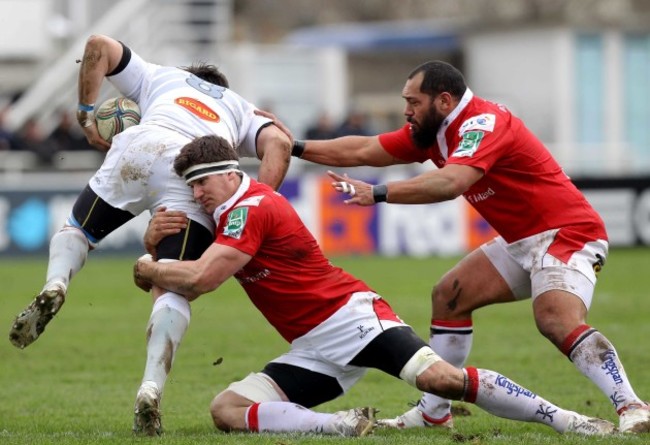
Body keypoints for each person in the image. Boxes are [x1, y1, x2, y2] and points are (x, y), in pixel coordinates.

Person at [131, 134, 617, 438]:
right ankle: (342, 425)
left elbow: (201, 279)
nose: (196, 195)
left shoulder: (250, 207)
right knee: (228, 410)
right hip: (312, 346)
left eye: (201, 183)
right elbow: (185, 284)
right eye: (190, 187)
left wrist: (147, 266)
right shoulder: (226, 217)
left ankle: (569, 420)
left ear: (231, 173)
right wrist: (155, 252)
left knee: (441, 381)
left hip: (353, 317)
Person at [281, 60, 650, 434]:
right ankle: (433, 412)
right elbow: (365, 150)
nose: (407, 110)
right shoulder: (433, 130)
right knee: (449, 297)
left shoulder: (482, 122)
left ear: (443, 100)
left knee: (555, 319)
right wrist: (294, 146)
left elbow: (451, 182)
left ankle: (633, 406)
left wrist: (378, 192)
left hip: (567, 232)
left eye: (413, 101)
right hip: (522, 241)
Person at [8, 34, 291, 435]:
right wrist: (252, 210)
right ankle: (150, 388)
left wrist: (87, 114)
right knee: (173, 288)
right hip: (192, 173)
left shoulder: (162, 76)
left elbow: (98, 45)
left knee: (77, 230)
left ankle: (56, 283)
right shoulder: (241, 108)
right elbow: (278, 142)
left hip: (139, 145)